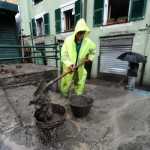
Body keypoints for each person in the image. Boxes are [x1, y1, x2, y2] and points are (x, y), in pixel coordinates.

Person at [61, 19, 96, 98]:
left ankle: (77, 98)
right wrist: (69, 64)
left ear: (85, 32)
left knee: (80, 82)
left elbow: (93, 50)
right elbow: (64, 55)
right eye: (79, 31)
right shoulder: (68, 40)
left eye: (82, 31)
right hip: (69, 68)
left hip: (80, 67)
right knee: (66, 83)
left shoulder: (88, 42)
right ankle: (64, 98)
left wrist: (90, 58)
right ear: (76, 31)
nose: (80, 33)